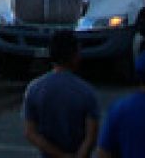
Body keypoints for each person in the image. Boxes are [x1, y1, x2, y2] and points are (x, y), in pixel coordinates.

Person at [21, 29, 99, 158]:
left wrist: (60, 155)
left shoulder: (34, 89)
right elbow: (91, 135)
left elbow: (30, 133)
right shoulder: (86, 91)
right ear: (74, 55)